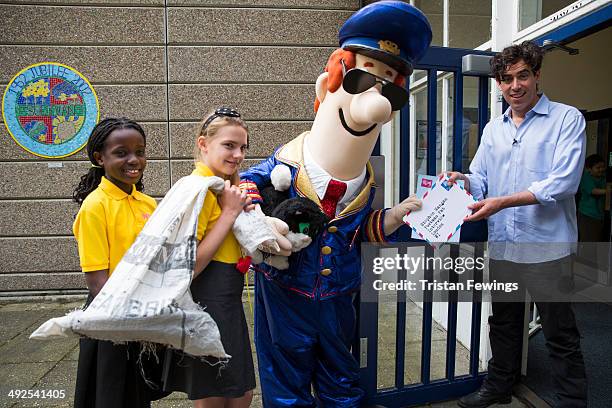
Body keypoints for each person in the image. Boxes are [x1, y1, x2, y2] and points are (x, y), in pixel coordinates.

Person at [239, 2, 431, 406]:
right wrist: (262, 221)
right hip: (287, 293)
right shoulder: (287, 164)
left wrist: (394, 216)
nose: (377, 101)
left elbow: (359, 229)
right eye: (362, 79)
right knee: (286, 376)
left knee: (340, 375)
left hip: (339, 296)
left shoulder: (365, 179)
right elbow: (244, 187)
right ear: (329, 84)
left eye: (390, 90)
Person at [448, 41, 588, 408]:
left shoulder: (567, 119)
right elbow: (480, 179)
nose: (515, 86)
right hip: (506, 247)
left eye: (523, 75)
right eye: (506, 79)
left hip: (548, 249)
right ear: (498, 83)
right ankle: (499, 387)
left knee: (560, 333)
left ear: (537, 75)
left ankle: (572, 401)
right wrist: (460, 179)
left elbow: (564, 183)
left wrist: (502, 201)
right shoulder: (494, 129)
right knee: (505, 325)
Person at [162, 107, 256, 408]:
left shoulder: (219, 188)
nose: (238, 154)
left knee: (235, 391)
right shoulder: (200, 190)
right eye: (229, 145)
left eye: (243, 147)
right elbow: (188, 268)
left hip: (225, 300)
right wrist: (229, 213)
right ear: (203, 144)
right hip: (208, 302)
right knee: (221, 393)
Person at [72, 117, 167, 408]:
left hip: (143, 313)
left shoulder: (148, 204)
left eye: (140, 151)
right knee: (110, 394)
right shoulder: (94, 207)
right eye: (121, 152)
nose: (134, 160)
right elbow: (98, 283)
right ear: (99, 158)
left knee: (138, 394)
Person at [578, 154, 606, 242]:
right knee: (588, 241)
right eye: (598, 167)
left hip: (599, 215)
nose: (601, 169)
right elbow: (593, 191)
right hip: (587, 215)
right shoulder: (586, 177)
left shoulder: (603, 177)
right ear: (589, 169)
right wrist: (607, 191)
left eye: (603, 167)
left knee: (597, 240)